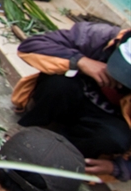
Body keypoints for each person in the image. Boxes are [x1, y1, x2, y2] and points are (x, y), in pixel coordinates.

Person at [14, 23, 131, 181]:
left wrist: (118, 168)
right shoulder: (99, 37)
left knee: (115, 137)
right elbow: (30, 46)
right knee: (58, 84)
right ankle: (34, 130)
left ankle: (63, 156)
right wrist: (80, 61)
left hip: (104, 124)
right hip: (73, 95)